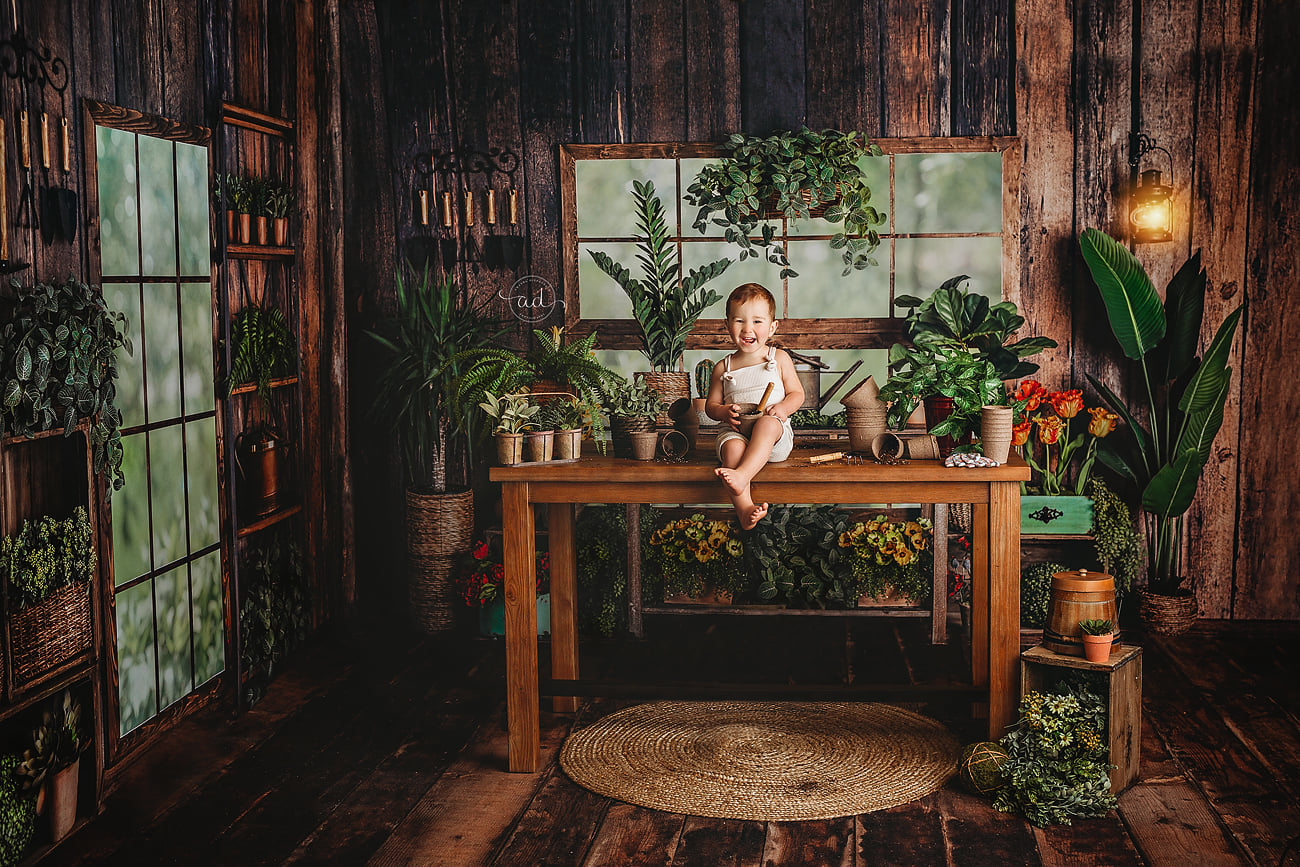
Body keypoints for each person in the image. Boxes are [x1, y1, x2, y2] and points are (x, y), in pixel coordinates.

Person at [705, 283, 805, 529]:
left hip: (774, 440)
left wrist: (782, 409)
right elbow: (710, 406)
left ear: (772, 327)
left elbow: (797, 394)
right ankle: (744, 509)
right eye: (739, 321)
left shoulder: (778, 358)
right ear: (727, 324)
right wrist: (723, 412)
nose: (748, 329)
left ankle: (742, 475)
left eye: (757, 322)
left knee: (767, 424)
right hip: (736, 431)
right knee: (731, 450)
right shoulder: (723, 367)